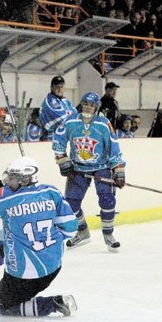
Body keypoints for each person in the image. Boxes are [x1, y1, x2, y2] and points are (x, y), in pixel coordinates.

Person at [0, 156, 78, 318]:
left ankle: (55, 303)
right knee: (9, 243)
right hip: (54, 265)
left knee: (1, 305)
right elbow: (71, 228)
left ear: (25, 179)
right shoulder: (51, 192)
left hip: (23, 276)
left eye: (13, 177)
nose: (8, 180)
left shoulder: (8, 197)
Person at [53, 92, 126, 252]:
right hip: (78, 170)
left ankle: (108, 235)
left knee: (107, 201)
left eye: (92, 105)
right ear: (81, 104)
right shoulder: (70, 121)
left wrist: (118, 171)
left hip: (102, 168)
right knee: (71, 205)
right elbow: (58, 141)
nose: (88, 106)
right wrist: (63, 161)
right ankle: (83, 231)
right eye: (85, 103)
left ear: (96, 107)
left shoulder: (103, 124)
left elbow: (114, 147)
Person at [39, 76, 77, 141]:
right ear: (51, 88)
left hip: (62, 136)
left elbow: (75, 113)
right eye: (57, 87)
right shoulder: (50, 101)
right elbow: (63, 118)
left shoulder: (64, 100)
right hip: (50, 137)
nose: (59, 89)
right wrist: (70, 113)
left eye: (61, 87)